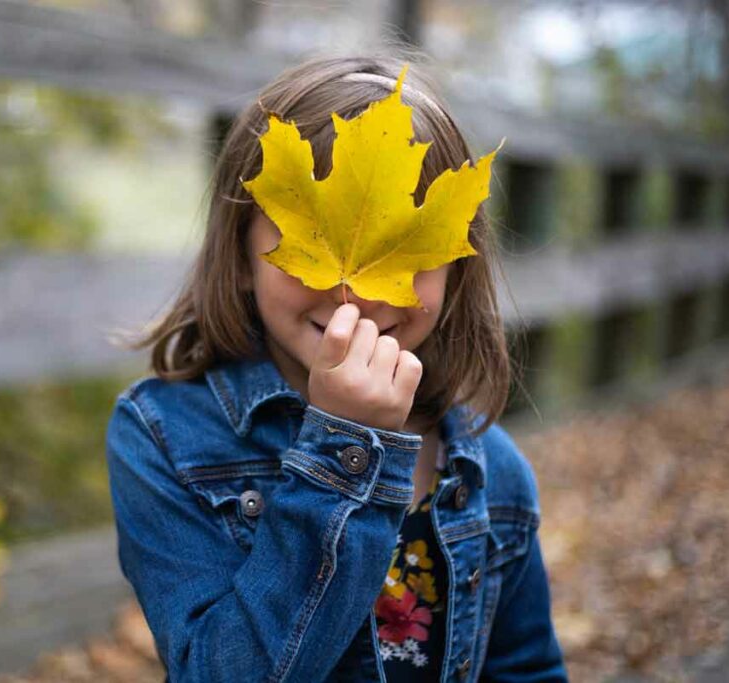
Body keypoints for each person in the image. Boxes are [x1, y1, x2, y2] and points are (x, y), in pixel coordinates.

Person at [104, 51, 568, 682]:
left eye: (403, 256)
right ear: (241, 254)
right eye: (309, 246)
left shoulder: (496, 475)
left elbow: (528, 669)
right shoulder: (163, 437)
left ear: (457, 267)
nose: (356, 296)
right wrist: (345, 449)